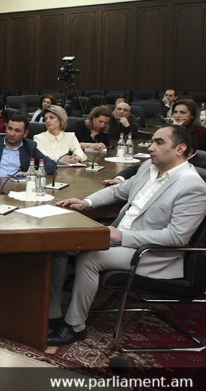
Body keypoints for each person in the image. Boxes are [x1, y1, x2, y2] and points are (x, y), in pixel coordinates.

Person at [49, 125, 206, 346]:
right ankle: (52, 313)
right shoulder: (147, 169)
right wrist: (86, 202)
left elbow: (176, 238)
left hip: (154, 255)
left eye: (159, 142)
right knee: (60, 244)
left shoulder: (192, 186)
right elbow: (117, 191)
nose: (150, 148)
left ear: (180, 148)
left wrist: (121, 237)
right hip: (120, 239)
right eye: (152, 141)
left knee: (90, 258)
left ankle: (75, 326)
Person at [0, 115, 57, 194]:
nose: (11, 133)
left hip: (18, 191)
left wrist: (36, 173)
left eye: (17, 130)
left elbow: (50, 163)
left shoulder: (29, 146)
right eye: (9, 129)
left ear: (25, 133)